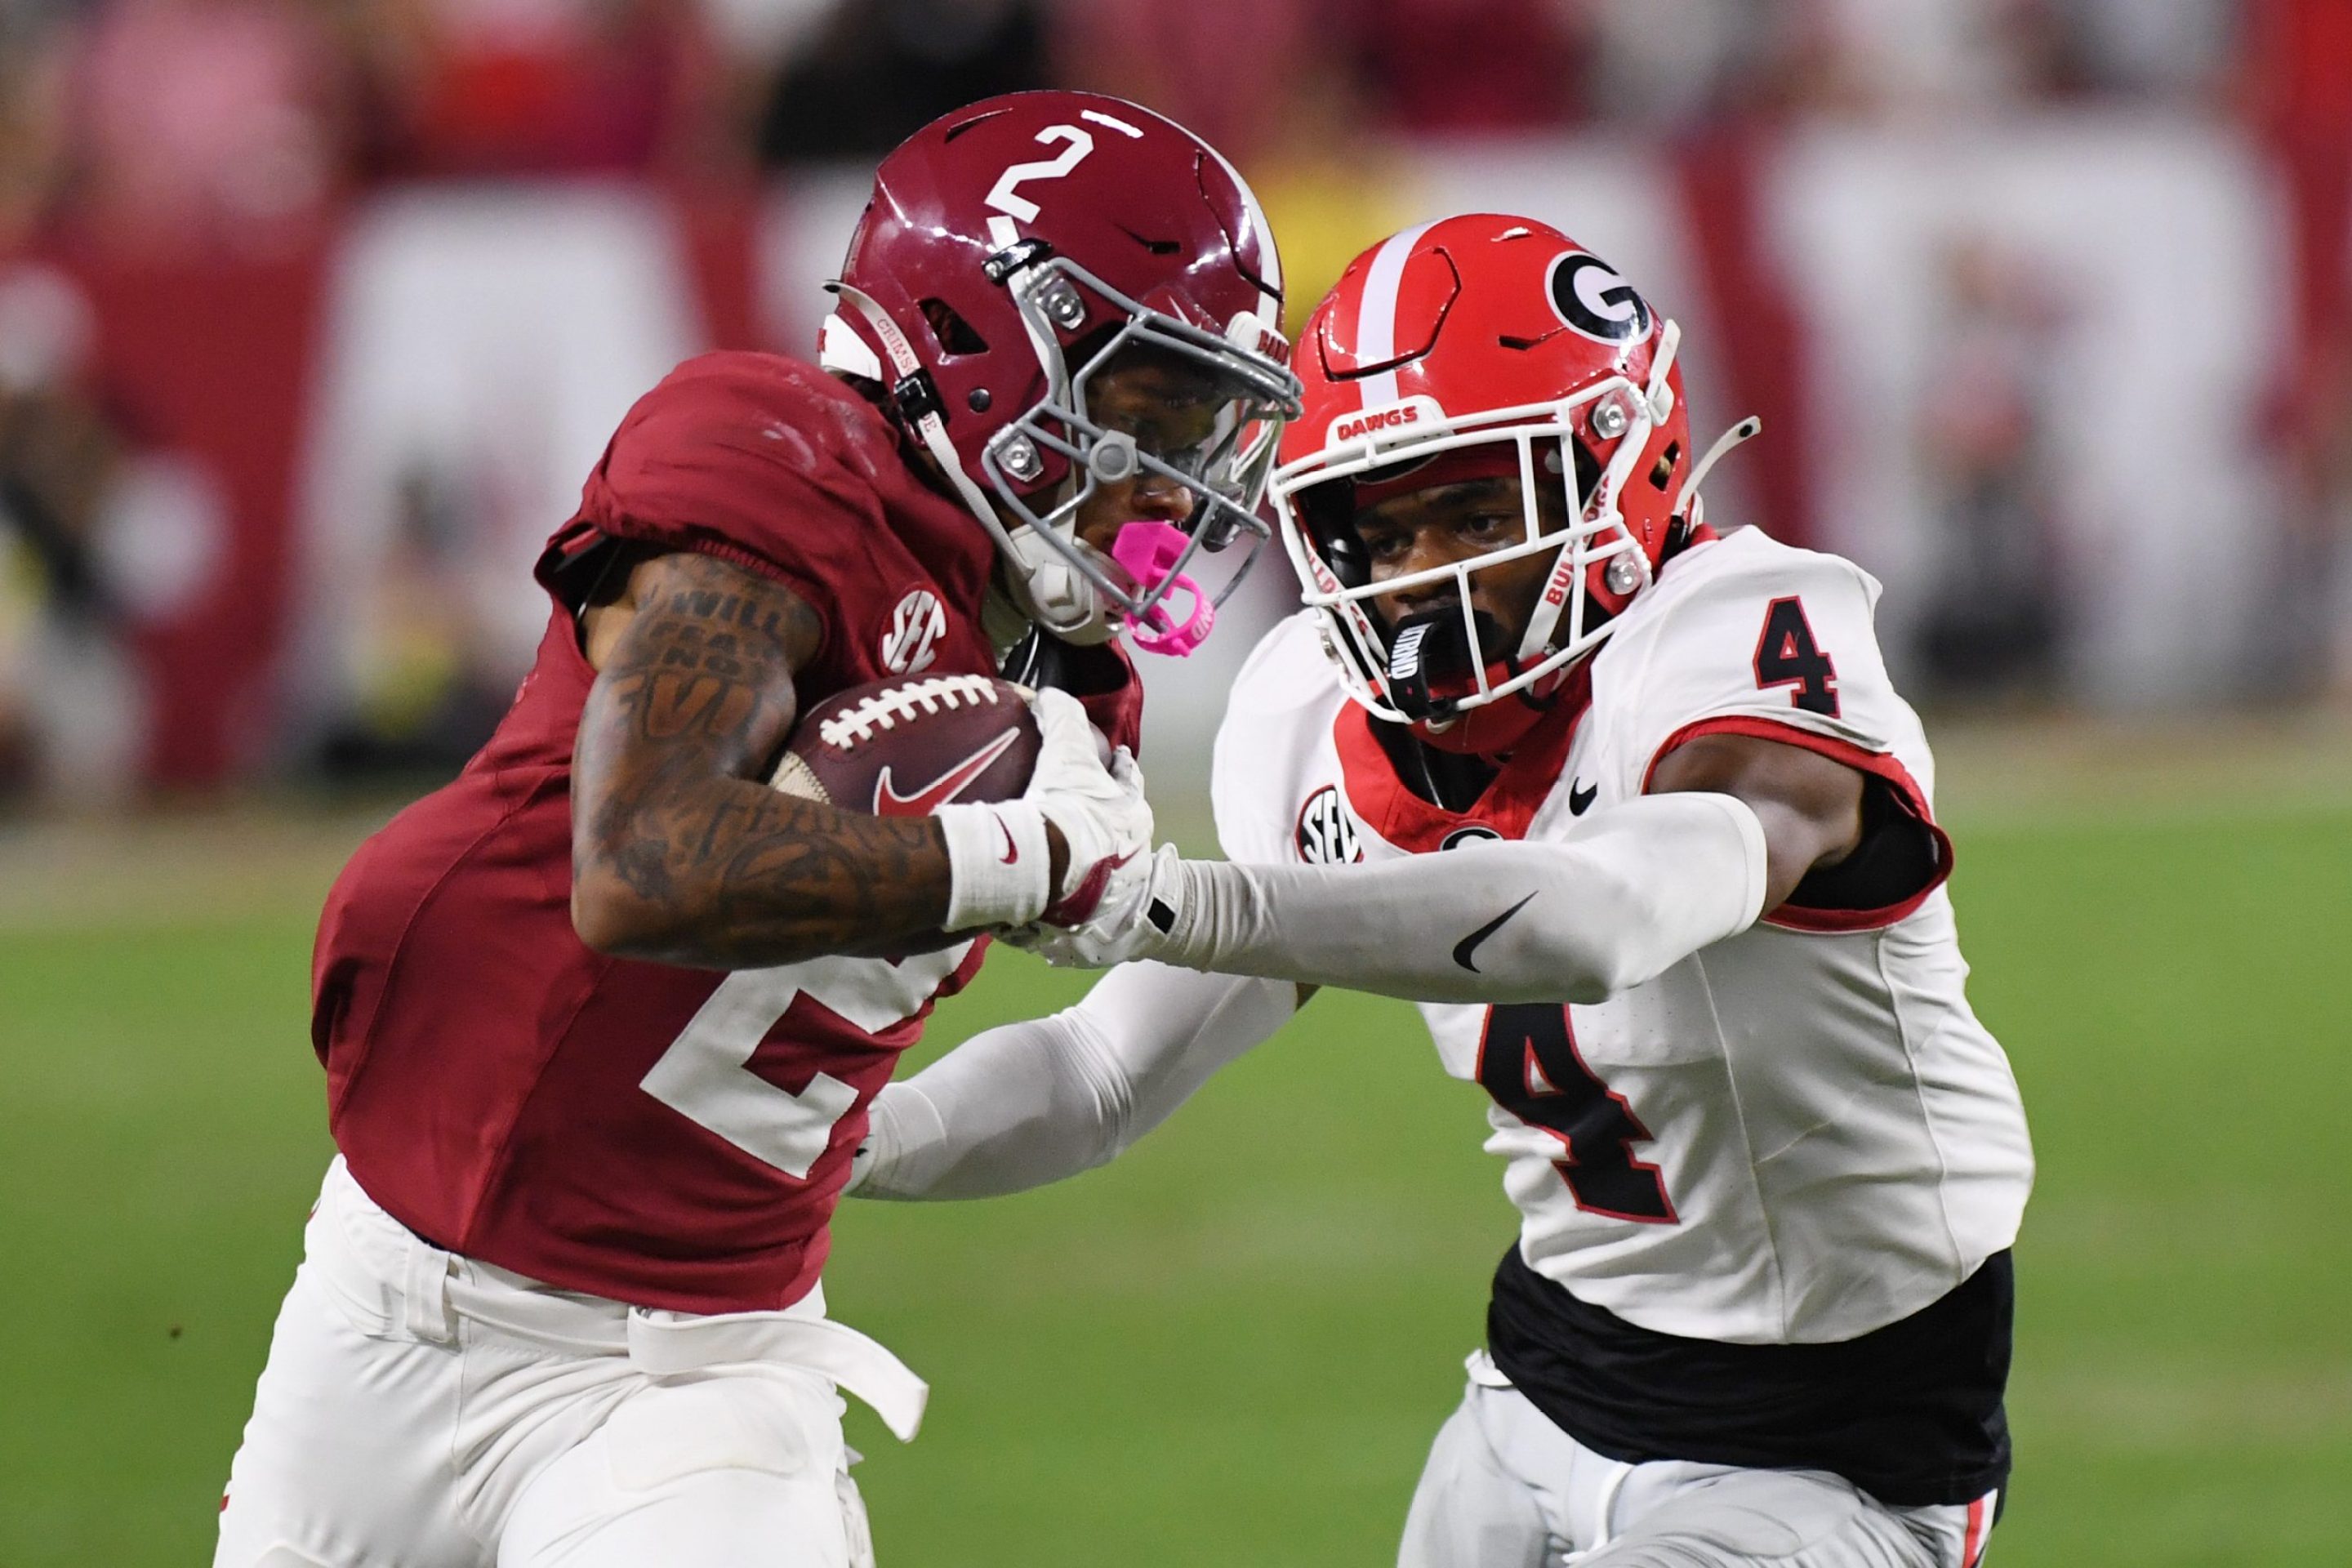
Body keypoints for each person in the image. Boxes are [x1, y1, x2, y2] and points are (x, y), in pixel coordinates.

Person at [212, 91, 1298, 1568]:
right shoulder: (775, 457)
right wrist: (1011, 862)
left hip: (692, 1377)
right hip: (377, 1301)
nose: (1174, 482)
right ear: (989, 341)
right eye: (1145, 413)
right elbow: (646, 864)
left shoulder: (1073, 705)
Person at [853, 214, 2033, 1568]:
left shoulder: (1736, 636)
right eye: (1382, 525)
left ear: (1625, 467)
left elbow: (1604, 921)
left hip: (1832, 1453)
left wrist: (1166, 896)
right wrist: (822, 1153)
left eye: (1476, 511)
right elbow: (1101, 1075)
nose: (1422, 580)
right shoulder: (1306, 709)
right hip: (1534, 1390)